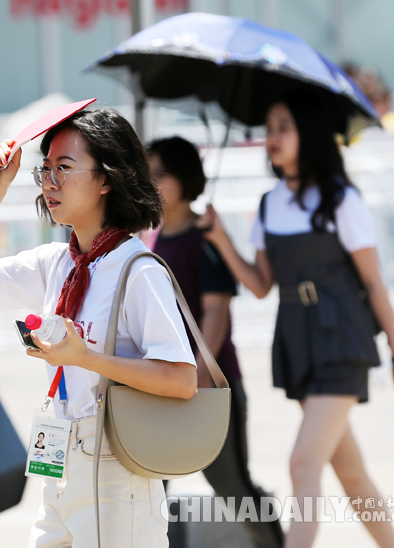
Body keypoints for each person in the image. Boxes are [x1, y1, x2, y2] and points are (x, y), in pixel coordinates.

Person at [0, 107, 197, 548]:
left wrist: (84, 358)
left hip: (116, 464)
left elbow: (182, 379)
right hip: (56, 457)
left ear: (106, 179)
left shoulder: (136, 269)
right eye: (45, 169)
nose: (49, 182)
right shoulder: (55, 263)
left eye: (64, 167)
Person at [198, 90, 394, 548]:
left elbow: (375, 283)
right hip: (298, 339)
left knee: (302, 464)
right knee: (352, 474)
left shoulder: (341, 200)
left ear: (309, 134)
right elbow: (261, 284)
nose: (272, 138)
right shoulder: (268, 204)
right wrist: (219, 238)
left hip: (342, 340)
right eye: (269, 129)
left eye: (284, 127)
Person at [144, 136, 284, 548]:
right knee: (152, 491)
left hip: (211, 390)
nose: (150, 183)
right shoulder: (147, 241)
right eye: (146, 173)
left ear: (185, 180)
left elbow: (216, 312)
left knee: (233, 489)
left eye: (160, 174)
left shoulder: (204, 241)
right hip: (162, 388)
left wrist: (198, 381)